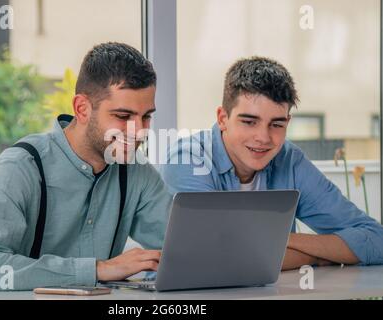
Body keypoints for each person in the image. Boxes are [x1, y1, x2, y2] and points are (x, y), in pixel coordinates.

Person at [0, 42, 172, 291]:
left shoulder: (136, 171)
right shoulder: (21, 167)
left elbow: (183, 248)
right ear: (82, 109)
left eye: (146, 116)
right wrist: (98, 270)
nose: (139, 132)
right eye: (123, 117)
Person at [161, 56, 383, 270]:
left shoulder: (289, 160)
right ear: (222, 118)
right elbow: (212, 257)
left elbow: (376, 240)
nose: (264, 138)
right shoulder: (188, 159)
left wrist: (286, 240)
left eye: (276, 124)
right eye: (249, 121)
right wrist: (319, 256)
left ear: (288, 122)